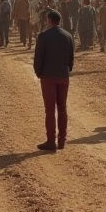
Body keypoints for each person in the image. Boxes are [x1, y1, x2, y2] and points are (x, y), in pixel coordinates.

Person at [33, 10, 74, 151]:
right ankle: (62, 140)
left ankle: (51, 140)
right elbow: (71, 58)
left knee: (50, 110)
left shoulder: (43, 36)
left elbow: (38, 58)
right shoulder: (68, 35)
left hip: (48, 76)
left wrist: (39, 73)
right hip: (63, 75)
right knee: (62, 108)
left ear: (49, 20)